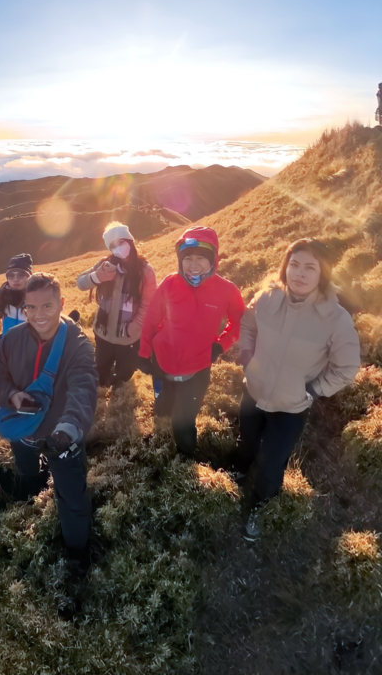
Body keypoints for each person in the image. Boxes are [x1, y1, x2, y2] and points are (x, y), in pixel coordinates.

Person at [233, 239, 360, 542]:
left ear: (322, 274)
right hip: (253, 391)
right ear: (285, 267)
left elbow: (346, 367)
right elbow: (248, 325)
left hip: (290, 406)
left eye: (309, 268)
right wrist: (247, 358)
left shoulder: (335, 319)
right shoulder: (267, 297)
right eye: (294, 265)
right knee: (247, 437)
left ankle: (260, 507)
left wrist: (313, 390)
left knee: (273, 462)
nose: (299, 273)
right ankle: (239, 467)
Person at [0, 272, 98, 575]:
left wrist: (68, 429)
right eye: (31, 308)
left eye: (48, 307)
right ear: (24, 307)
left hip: (60, 436)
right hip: (24, 430)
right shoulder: (11, 339)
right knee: (26, 470)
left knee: (72, 496)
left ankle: (77, 555)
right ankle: (32, 485)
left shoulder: (77, 345)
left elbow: (83, 387)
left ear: (62, 304)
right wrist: (11, 395)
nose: (39, 316)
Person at [139, 226, 245, 459]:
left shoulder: (226, 290)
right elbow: (151, 320)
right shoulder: (169, 283)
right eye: (187, 258)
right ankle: (162, 428)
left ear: (213, 260)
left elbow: (238, 323)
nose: (193, 264)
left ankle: (186, 457)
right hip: (162, 360)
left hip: (197, 368)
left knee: (183, 421)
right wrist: (144, 352)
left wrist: (220, 345)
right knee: (163, 406)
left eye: (201, 259)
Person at [76, 222, 157, 390]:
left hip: (128, 337)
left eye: (121, 242)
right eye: (113, 246)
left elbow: (148, 305)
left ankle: (118, 389)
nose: (118, 248)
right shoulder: (106, 265)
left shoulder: (146, 272)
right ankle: (101, 387)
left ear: (130, 241)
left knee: (124, 375)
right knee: (100, 371)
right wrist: (97, 277)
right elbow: (81, 283)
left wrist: (133, 329)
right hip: (103, 333)